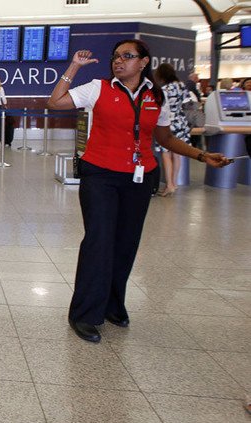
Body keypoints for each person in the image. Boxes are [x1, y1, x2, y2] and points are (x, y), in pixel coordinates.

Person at [46, 40, 230, 343]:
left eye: (127, 57)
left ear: (143, 62)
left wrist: (201, 156)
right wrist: (74, 66)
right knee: (99, 240)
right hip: (100, 174)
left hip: (139, 177)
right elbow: (56, 102)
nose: (119, 62)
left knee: (126, 243)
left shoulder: (155, 96)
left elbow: (166, 138)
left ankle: (113, 306)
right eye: (116, 57)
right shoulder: (98, 88)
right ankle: (85, 313)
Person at [154, 63, 191, 197]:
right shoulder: (182, 86)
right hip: (181, 122)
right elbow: (188, 104)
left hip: (167, 122)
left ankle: (169, 184)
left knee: (166, 153)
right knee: (177, 153)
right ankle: (174, 183)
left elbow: (161, 107)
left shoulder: (164, 89)